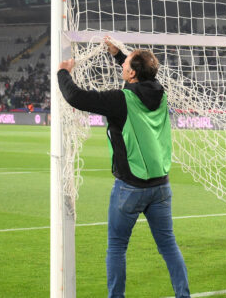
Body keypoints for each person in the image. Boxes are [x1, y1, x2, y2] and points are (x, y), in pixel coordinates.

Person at [57, 36, 189, 298]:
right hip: (161, 186)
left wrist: (63, 72)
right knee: (169, 246)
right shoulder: (160, 93)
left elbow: (74, 97)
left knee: (116, 247)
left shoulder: (121, 100)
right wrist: (119, 54)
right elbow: (144, 77)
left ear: (131, 73)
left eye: (124, 63)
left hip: (130, 187)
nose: (121, 66)